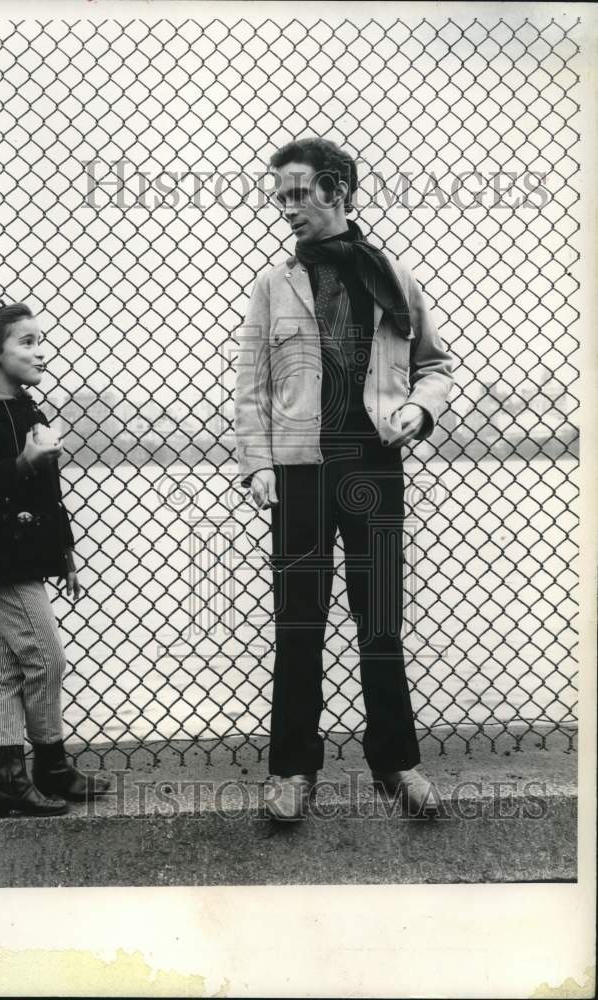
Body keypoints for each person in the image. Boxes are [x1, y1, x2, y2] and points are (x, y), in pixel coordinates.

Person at [234, 138, 455, 820]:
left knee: (380, 621)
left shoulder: (392, 274)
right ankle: (292, 771)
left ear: (337, 191)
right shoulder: (274, 285)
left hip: (373, 468)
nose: (286, 207)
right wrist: (259, 464)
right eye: (279, 196)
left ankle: (396, 762)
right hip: (300, 473)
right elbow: (252, 387)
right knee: (298, 624)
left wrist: (418, 409)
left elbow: (435, 365)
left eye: (299, 193)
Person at [0, 298, 110, 819]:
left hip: (26, 551)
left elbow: (48, 493)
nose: (40, 352)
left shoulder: (26, 407)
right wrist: (23, 462)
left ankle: (12, 781)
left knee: (10, 666)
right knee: (47, 658)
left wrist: (64, 550)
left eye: (41, 341)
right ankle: (49, 765)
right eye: (27, 342)